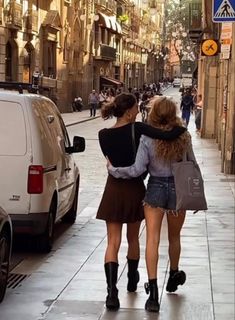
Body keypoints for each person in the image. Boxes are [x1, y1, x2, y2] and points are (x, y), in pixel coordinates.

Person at [96, 93, 186, 311]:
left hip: (113, 188)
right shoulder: (139, 130)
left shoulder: (102, 134)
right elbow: (169, 135)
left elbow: (112, 159)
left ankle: (111, 293)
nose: (139, 111)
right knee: (134, 239)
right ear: (128, 112)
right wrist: (181, 128)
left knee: (112, 242)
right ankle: (132, 278)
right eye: (136, 108)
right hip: (135, 189)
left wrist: (114, 170)